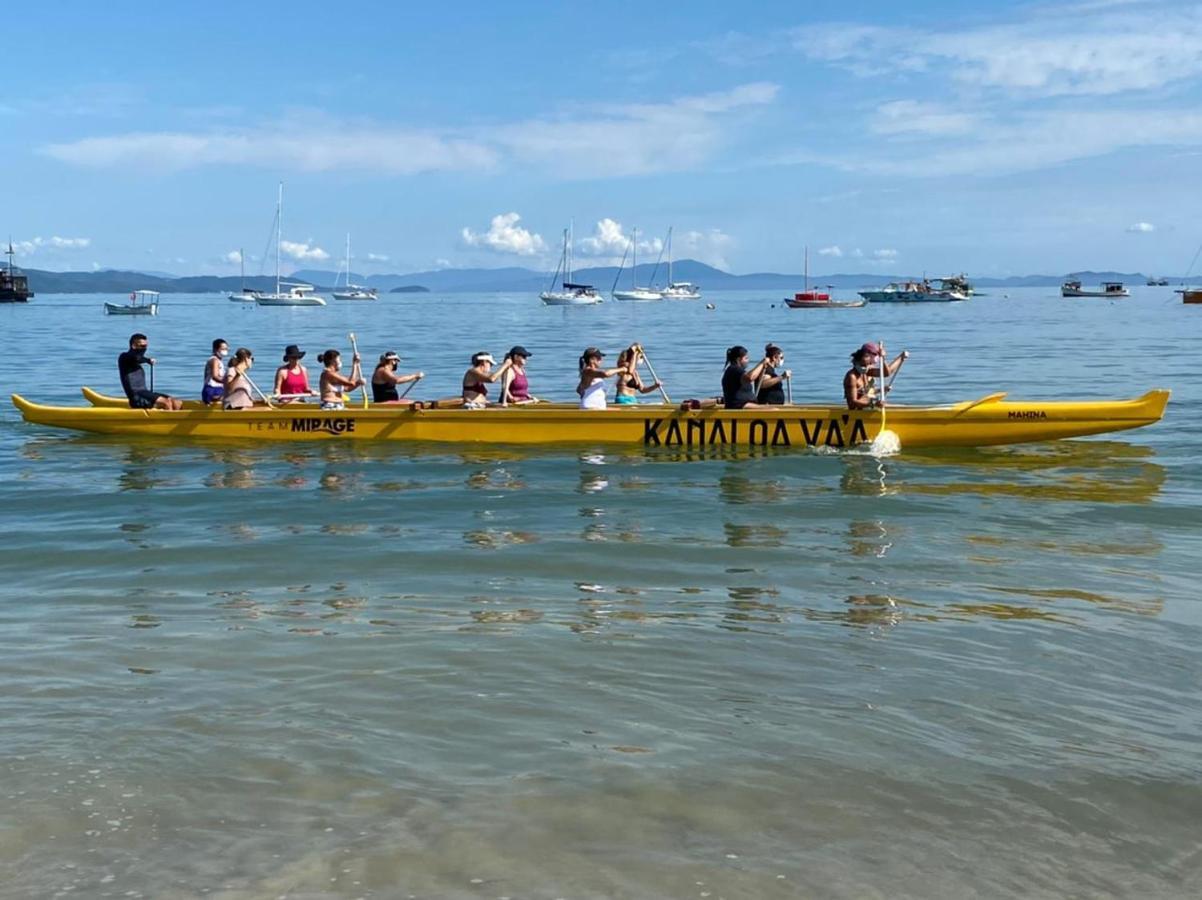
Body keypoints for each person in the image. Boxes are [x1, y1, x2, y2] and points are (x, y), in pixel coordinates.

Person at [117, 333, 183, 410]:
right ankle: (168, 421)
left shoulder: (137, 364)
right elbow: (136, 358)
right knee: (165, 402)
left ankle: (176, 420)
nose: (145, 348)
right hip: (136, 397)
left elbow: (138, 358)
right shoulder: (124, 357)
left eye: (146, 346)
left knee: (177, 402)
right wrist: (148, 360)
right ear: (133, 346)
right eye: (142, 346)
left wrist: (146, 360)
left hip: (145, 393)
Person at [844, 342, 909, 410]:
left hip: (869, 407)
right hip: (858, 412)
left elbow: (886, 373)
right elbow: (852, 403)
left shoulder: (867, 371)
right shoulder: (852, 377)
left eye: (870, 364)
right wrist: (874, 404)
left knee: (904, 407)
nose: (870, 366)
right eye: (867, 364)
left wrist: (880, 390)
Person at [721, 345, 771, 410]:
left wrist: (762, 368)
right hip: (738, 406)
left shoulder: (736, 370)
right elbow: (750, 378)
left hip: (744, 404)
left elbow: (753, 377)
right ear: (738, 359)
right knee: (774, 410)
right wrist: (762, 363)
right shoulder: (734, 370)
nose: (748, 361)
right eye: (746, 358)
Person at [202, 338, 228, 405]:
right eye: (222, 349)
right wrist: (227, 382)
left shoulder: (218, 360)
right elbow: (215, 376)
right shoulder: (215, 360)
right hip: (212, 389)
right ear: (215, 349)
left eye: (226, 349)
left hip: (215, 389)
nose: (225, 351)